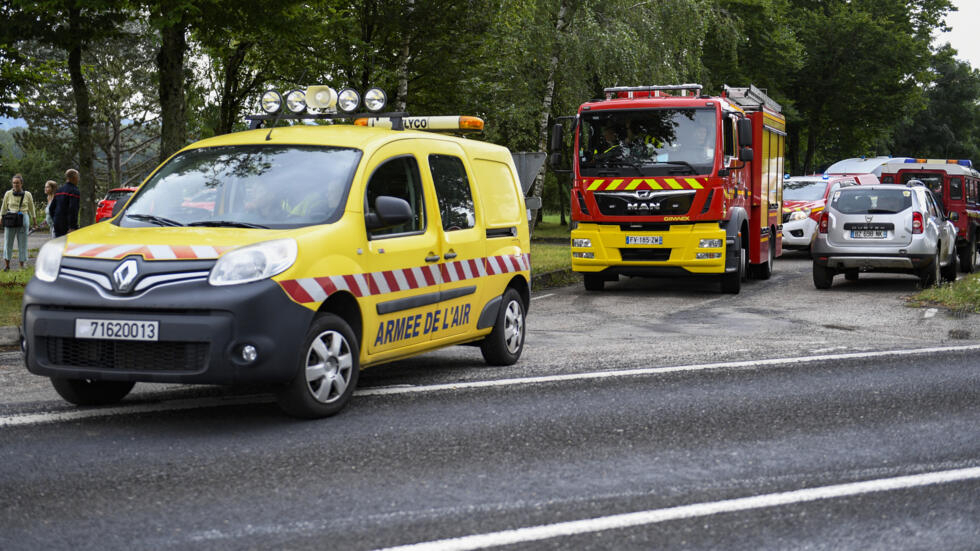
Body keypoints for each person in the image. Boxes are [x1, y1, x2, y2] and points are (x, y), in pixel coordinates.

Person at [1, 174, 37, 271]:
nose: (15, 184)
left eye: (17, 183)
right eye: (14, 183)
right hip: (10, 218)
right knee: (8, 242)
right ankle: (7, 265)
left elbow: (31, 208)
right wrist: (1, 218)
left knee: (23, 243)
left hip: (23, 217)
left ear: (21, 183)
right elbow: (3, 207)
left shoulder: (27, 194)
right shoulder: (8, 193)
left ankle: (22, 265)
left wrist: (34, 221)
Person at [52, 168, 81, 237]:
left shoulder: (59, 190)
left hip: (57, 224)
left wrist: (56, 219)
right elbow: (73, 209)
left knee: (59, 245)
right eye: (78, 177)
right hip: (67, 226)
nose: (78, 180)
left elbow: (51, 208)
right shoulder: (74, 191)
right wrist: (72, 227)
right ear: (74, 178)